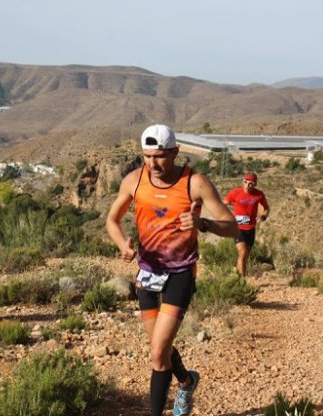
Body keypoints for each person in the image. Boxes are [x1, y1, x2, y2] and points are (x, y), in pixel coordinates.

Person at [106, 124, 237, 416]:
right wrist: (123, 246)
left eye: (160, 156)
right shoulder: (134, 181)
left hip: (180, 273)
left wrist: (203, 224)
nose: (153, 164)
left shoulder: (195, 183)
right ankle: (187, 381)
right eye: (147, 156)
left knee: (156, 354)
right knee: (159, 349)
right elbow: (112, 221)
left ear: (176, 153)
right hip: (147, 273)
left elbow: (232, 227)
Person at [223, 172, 270, 277]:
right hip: (238, 228)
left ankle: (237, 277)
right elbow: (222, 204)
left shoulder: (259, 194)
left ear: (255, 184)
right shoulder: (235, 193)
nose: (248, 185)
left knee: (244, 256)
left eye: (251, 184)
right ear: (243, 181)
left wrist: (263, 216)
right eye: (246, 182)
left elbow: (266, 208)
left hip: (251, 228)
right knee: (243, 252)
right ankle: (242, 281)